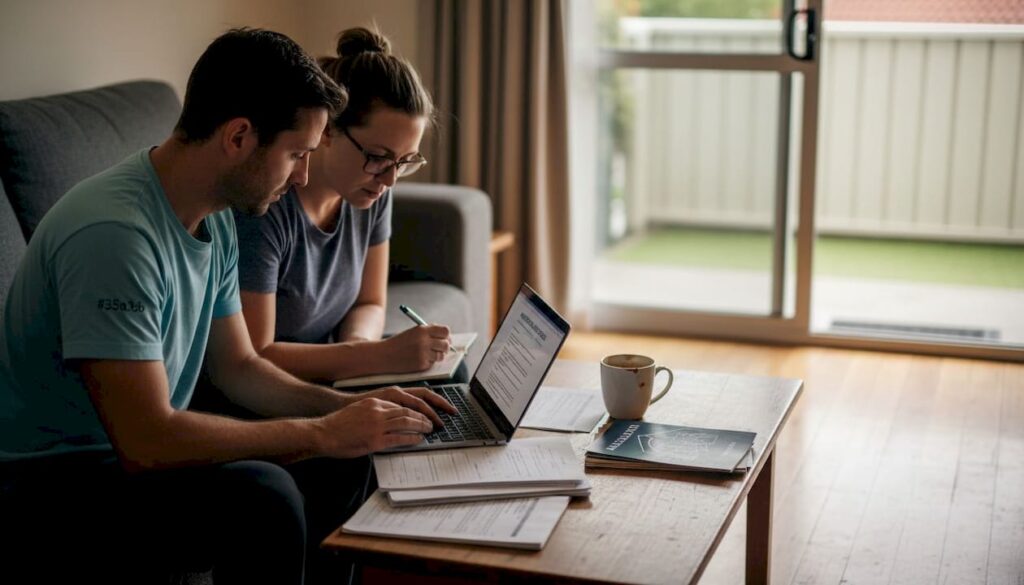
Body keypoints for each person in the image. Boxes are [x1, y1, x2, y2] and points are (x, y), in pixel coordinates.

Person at [0, 28, 454, 584]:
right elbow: (146, 439)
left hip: (121, 457)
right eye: (297, 154)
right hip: (53, 482)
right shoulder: (115, 236)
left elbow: (240, 366)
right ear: (239, 137)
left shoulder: (214, 218)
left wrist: (347, 410)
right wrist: (319, 432)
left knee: (351, 453)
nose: (304, 175)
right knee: (264, 496)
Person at [232, 27, 453, 384]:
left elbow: (370, 302)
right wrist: (376, 356)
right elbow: (254, 356)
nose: (390, 180)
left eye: (404, 162)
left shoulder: (372, 190)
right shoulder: (266, 209)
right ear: (327, 130)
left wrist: (361, 351)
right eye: (378, 157)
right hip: (276, 391)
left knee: (449, 380)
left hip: (333, 371)